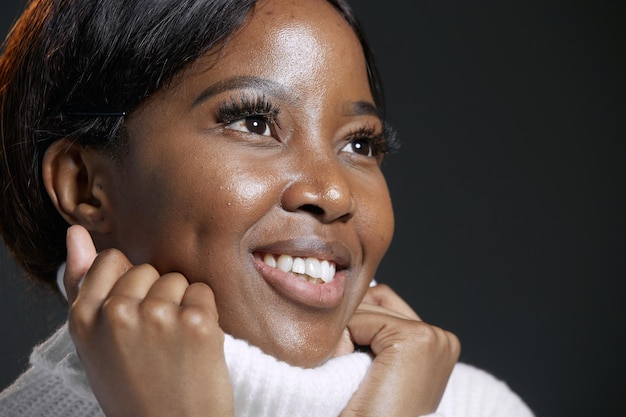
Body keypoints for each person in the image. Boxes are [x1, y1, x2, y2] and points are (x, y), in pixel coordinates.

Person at [0, 0, 535, 416]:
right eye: (254, 122)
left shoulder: (472, 406)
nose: (333, 194)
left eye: (360, 144)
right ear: (85, 185)